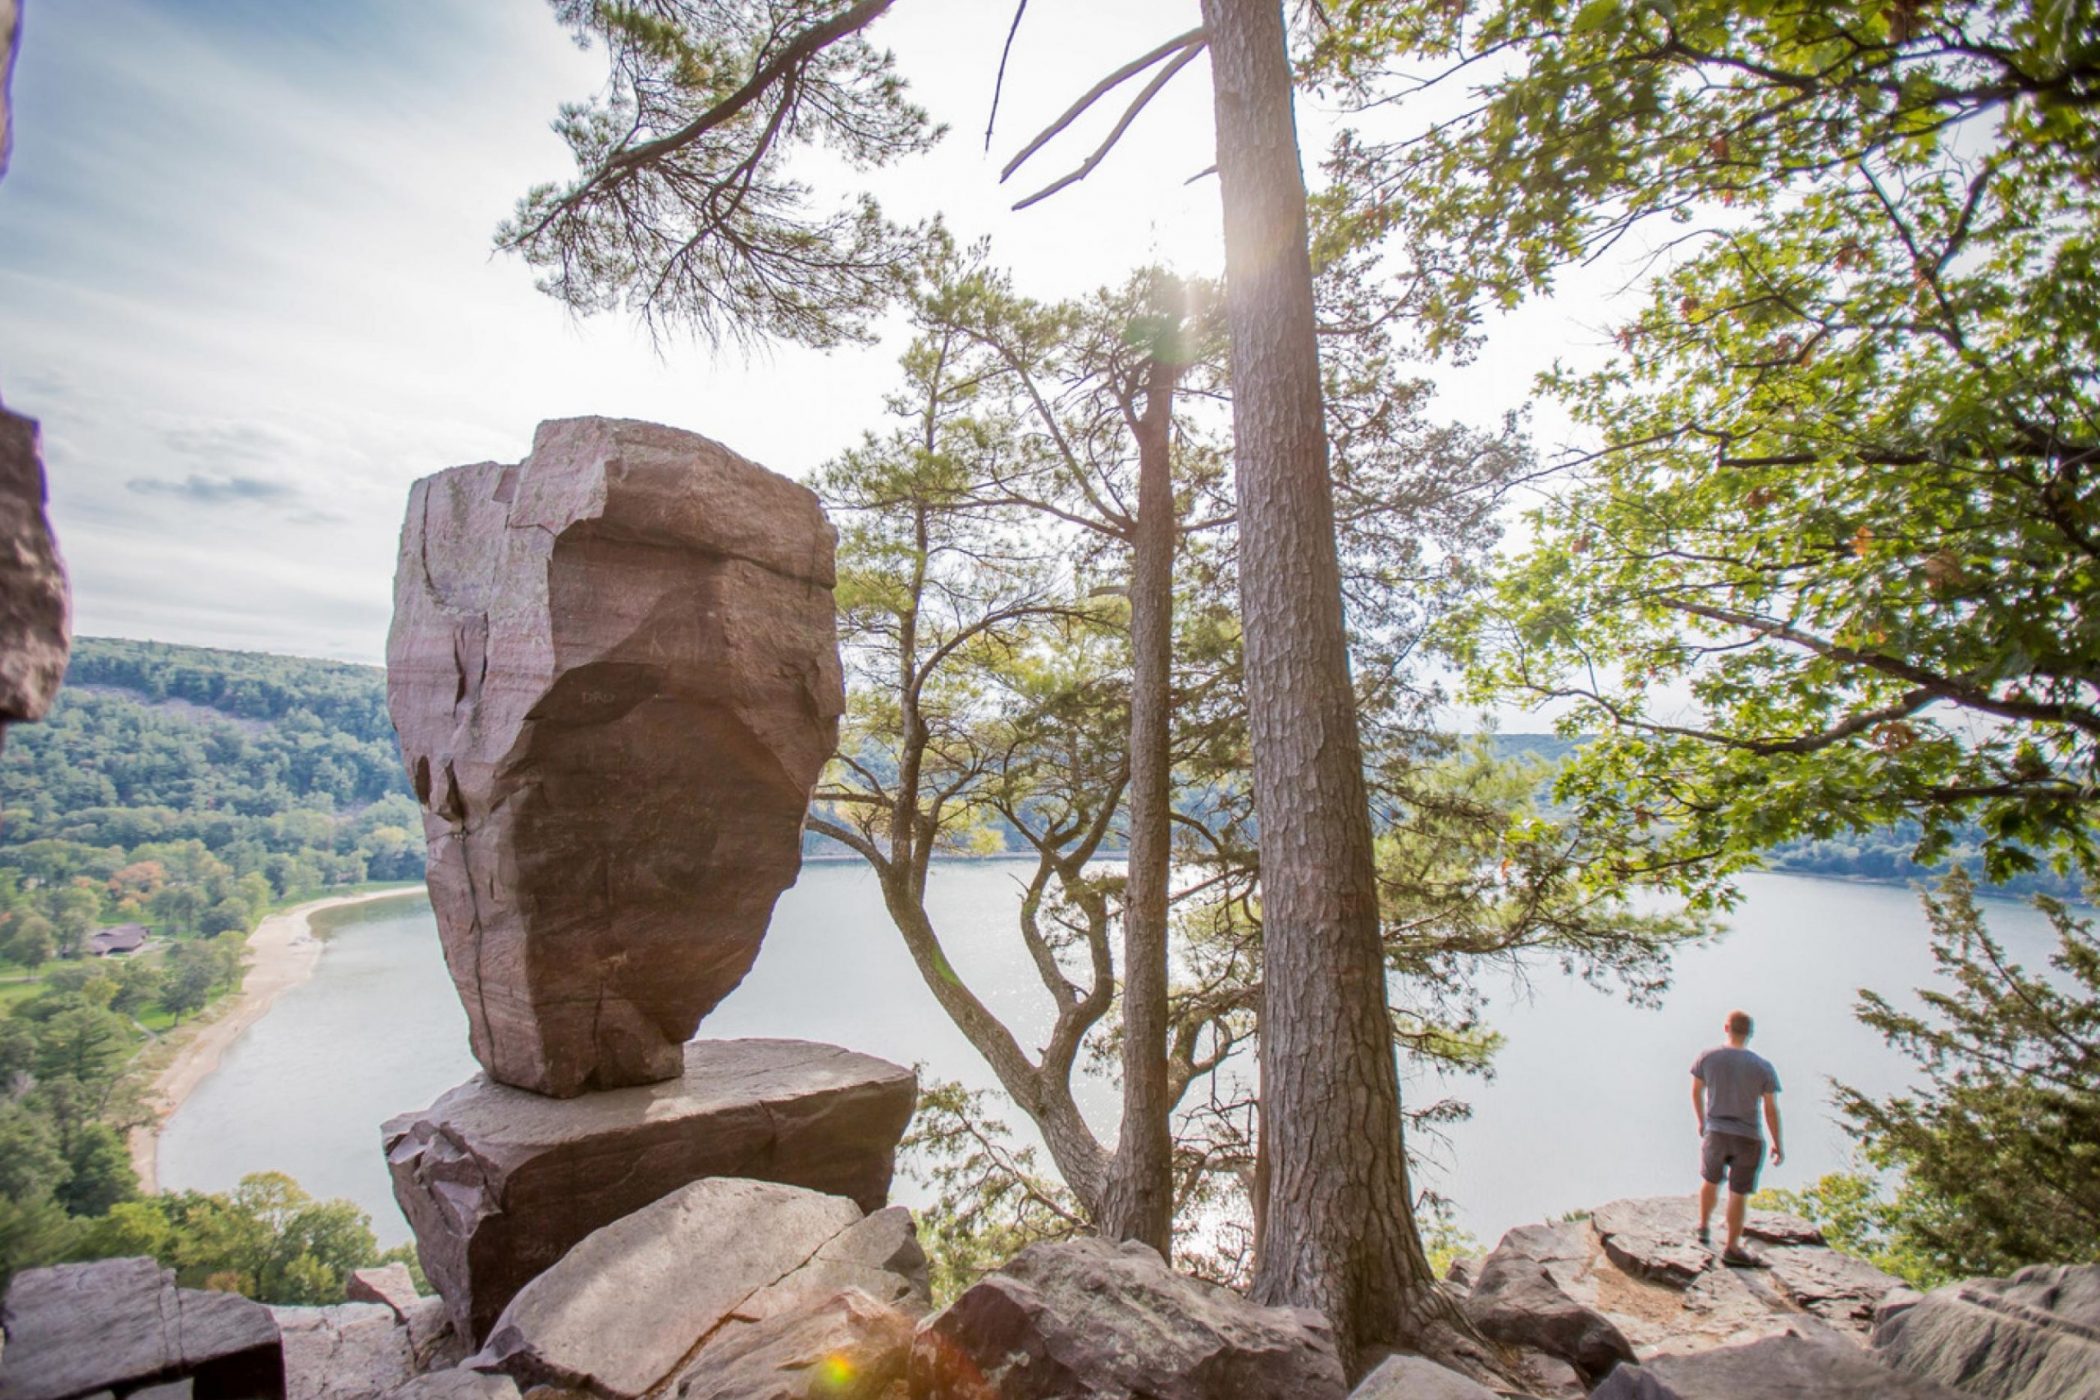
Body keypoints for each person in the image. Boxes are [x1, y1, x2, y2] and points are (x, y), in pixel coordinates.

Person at [1692, 1008, 1783, 1267]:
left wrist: (1702, 1121)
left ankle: (1703, 1227)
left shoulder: (1708, 1057)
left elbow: (1696, 1091)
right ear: (1750, 1034)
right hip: (1749, 1136)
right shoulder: (1762, 1067)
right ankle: (1732, 1247)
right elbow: (1770, 1108)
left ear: (1726, 1028)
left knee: (1710, 1180)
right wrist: (1777, 1142)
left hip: (1717, 1131)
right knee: (1738, 1193)